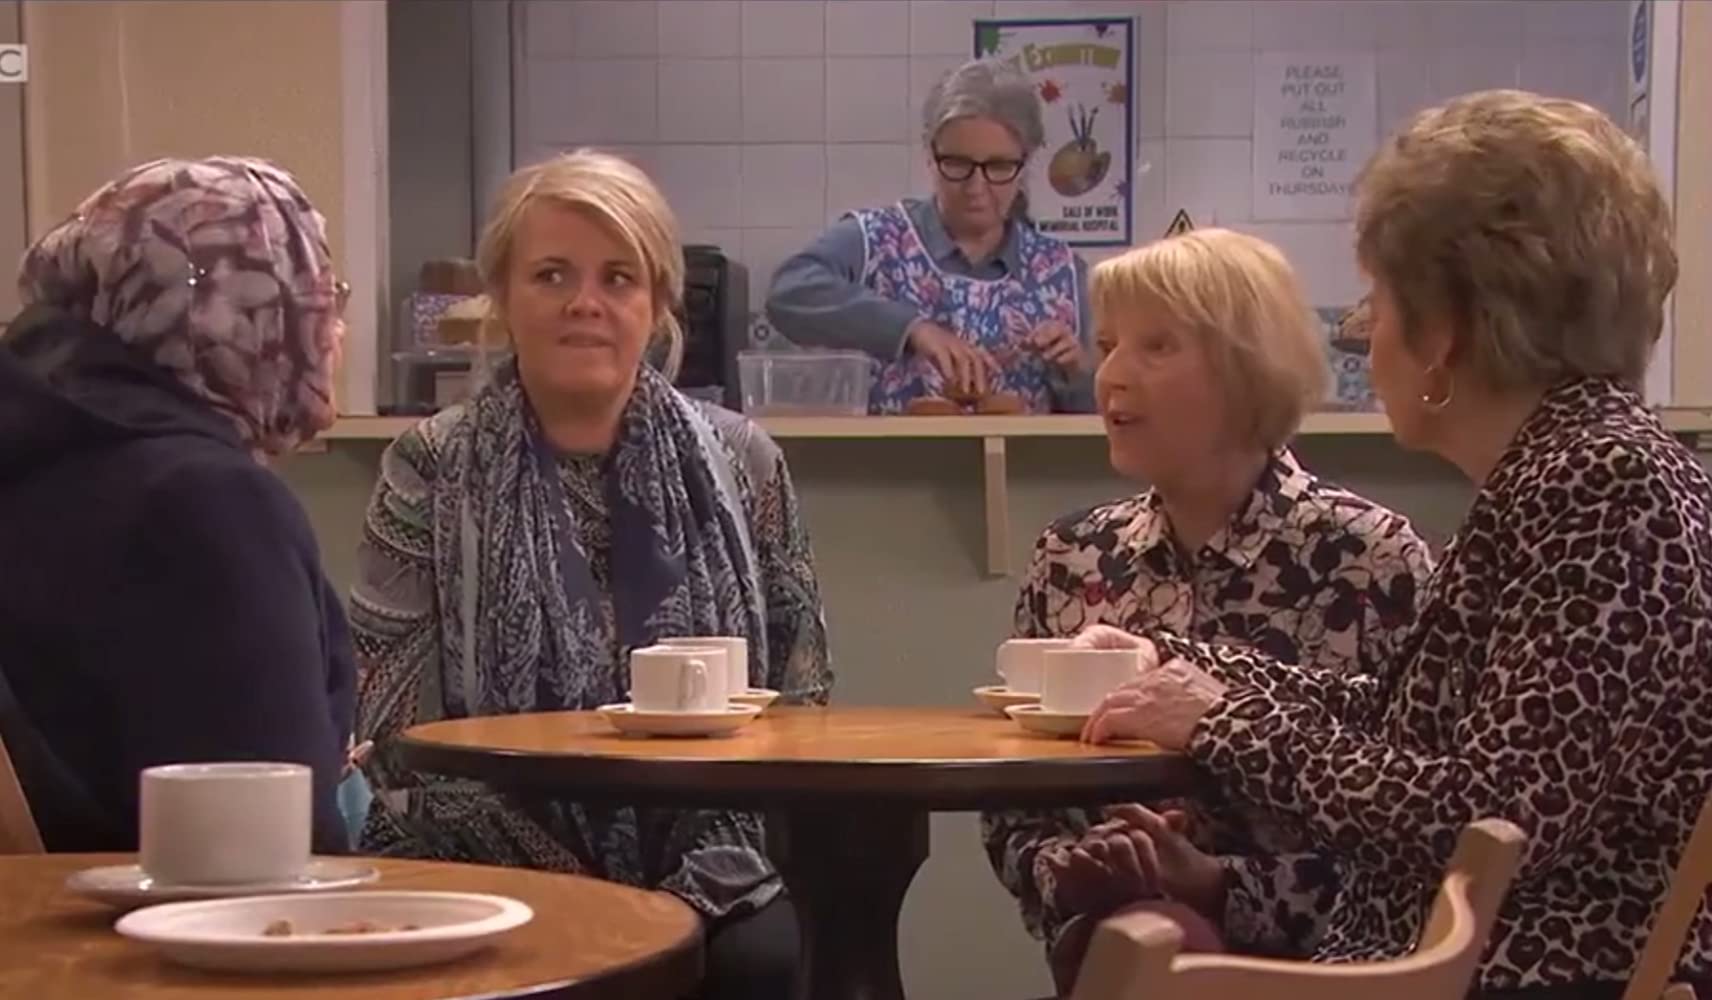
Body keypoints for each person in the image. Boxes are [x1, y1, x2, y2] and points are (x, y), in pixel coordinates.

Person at [1075, 90, 1712, 1000]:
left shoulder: (1601, 483)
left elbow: (1489, 815)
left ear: (1443, 332)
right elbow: (1401, 722)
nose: (1363, 332)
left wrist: (1221, 723)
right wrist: (1179, 667)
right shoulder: (1570, 467)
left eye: (1376, 299)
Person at [352, 149, 832, 1000]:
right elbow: (390, 725)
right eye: (551, 275)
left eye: (618, 278)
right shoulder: (428, 464)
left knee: (768, 957)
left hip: (712, 858)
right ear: (502, 297)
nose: (586, 303)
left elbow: (803, 702)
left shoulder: (744, 461)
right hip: (478, 856)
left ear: (657, 303)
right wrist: (569, 880)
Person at [979, 229, 1433, 993]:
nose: (1112, 375)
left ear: (1246, 368)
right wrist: (1070, 869)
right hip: (1115, 941)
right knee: (1145, 932)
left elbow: (1411, 829)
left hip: (1330, 968)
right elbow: (1014, 801)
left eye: (1156, 346)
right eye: (1108, 346)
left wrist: (1217, 885)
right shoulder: (1073, 555)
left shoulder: (1370, 557)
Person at [0, 157, 354, 855]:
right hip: (179, 915)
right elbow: (276, 844)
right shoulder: (209, 506)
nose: (336, 328)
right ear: (248, 315)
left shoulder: (37, 448)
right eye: (319, 295)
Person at [765, 57, 1093, 414]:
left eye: (999, 166)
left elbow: (1107, 419)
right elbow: (788, 292)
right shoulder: (877, 240)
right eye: (957, 164)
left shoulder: (1062, 274)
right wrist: (912, 329)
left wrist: (1076, 372)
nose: (976, 187)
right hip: (888, 453)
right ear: (930, 155)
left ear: (1025, 163)